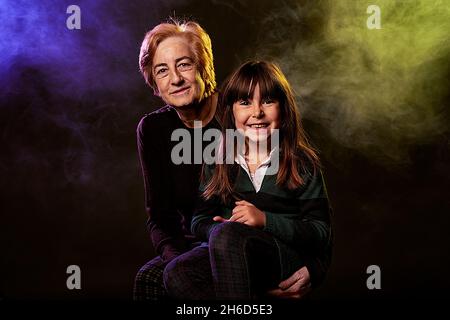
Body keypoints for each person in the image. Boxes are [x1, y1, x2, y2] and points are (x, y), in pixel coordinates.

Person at [134, 19, 323, 301]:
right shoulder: (153, 129)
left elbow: (290, 199)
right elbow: (160, 216)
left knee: (220, 261)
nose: (175, 78)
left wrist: (316, 266)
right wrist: (176, 260)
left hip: (255, 242)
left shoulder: (240, 114)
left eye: (184, 64)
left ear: (204, 67)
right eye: (163, 70)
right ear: (155, 82)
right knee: (152, 279)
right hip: (199, 242)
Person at [163, 61, 333, 300]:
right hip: (231, 254)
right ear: (231, 112)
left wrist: (264, 220)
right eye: (245, 102)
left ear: (283, 108)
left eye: (267, 101)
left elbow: (321, 232)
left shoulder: (301, 162)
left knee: (227, 237)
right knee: (177, 273)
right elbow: (199, 221)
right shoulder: (219, 159)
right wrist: (223, 228)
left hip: (282, 257)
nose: (257, 112)